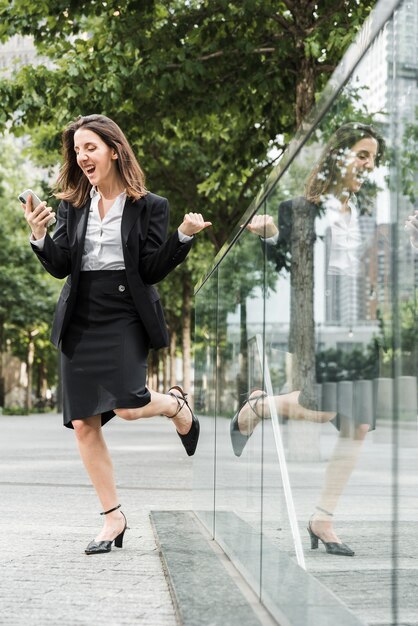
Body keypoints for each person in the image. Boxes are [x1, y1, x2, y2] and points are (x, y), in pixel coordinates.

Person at [23, 114, 211, 555]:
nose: (81, 156)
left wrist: (182, 237)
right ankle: (113, 518)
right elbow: (61, 265)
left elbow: (150, 269)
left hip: (125, 310)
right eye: (76, 150)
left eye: (89, 147)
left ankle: (174, 405)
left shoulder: (150, 205)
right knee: (84, 425)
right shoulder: (72, 204)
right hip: (81, 315)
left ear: (113, 149)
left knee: (128, 406)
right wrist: (39, 234)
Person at [231, 122, 386, 557]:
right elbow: (287, 264)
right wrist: (270, 236)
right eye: (362, 154)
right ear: (338, 156)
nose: (368, 164)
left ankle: (323, 518)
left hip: (360, 325)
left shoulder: (367, 211)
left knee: (355, 425)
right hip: (322, 323)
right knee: (323, 409)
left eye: (372, 158)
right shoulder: (298, 208)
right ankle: (258, 406)